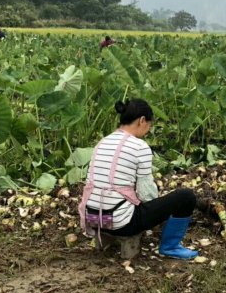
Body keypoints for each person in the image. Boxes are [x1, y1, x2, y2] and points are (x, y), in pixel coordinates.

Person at [78, 99, 198, 260]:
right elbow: (146, 193)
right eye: (149, 125)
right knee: (186, 197)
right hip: (121, 224)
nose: (148, 130)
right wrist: (160, 212)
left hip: (93, 219)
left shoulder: (102, 142)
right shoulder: (139, 147)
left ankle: (109, 233)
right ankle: (170, 247)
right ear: (142, 120)